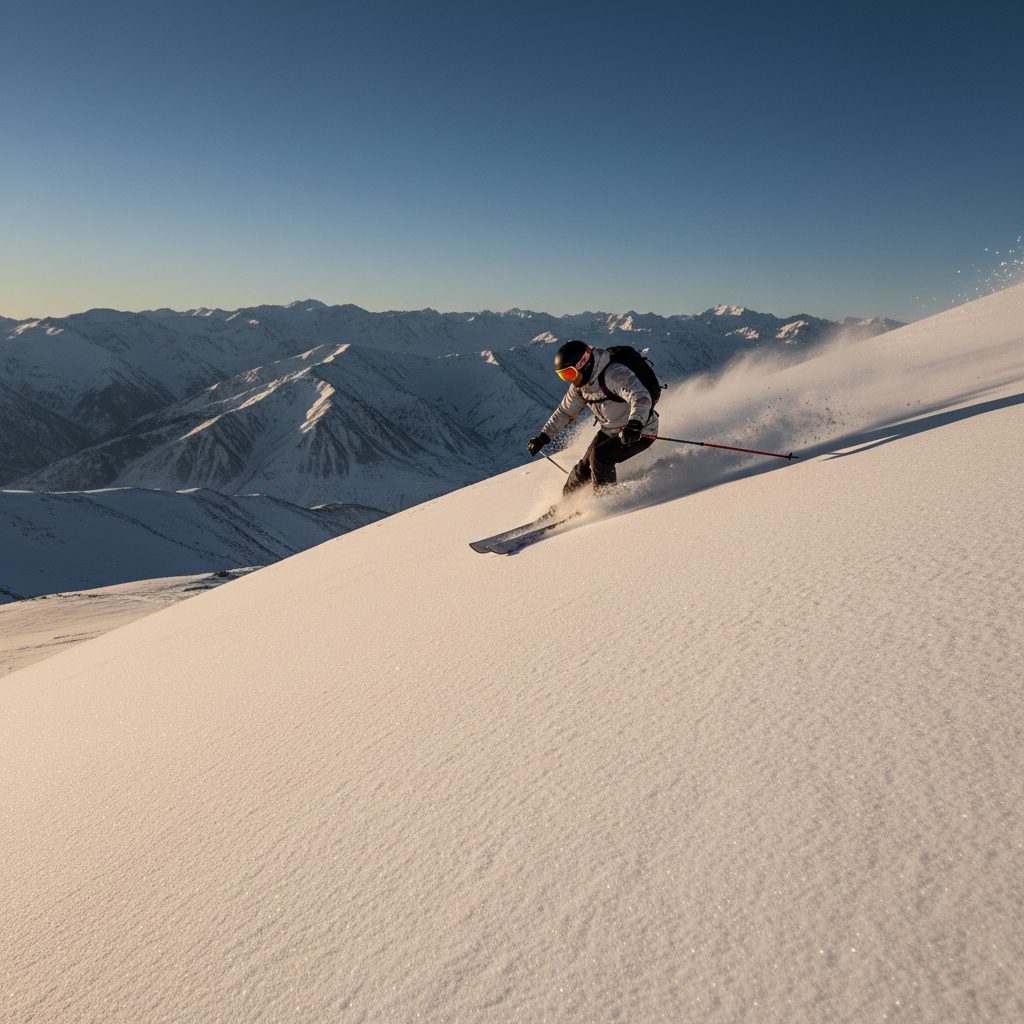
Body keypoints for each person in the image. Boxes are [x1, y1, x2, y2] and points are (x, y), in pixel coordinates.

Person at [527, 340, 658, 497]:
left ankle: (607, 501)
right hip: (610, 430)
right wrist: (543, 437)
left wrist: (635, 423)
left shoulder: (613, 374)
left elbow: (640, 396)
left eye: (570, 373)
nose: (569, 380)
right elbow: (565, 412)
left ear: (584, 364)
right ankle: (566, 505)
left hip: (640, 430)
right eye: (563, 376)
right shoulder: (580, 386)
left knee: (600, 457)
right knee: (583, 469)